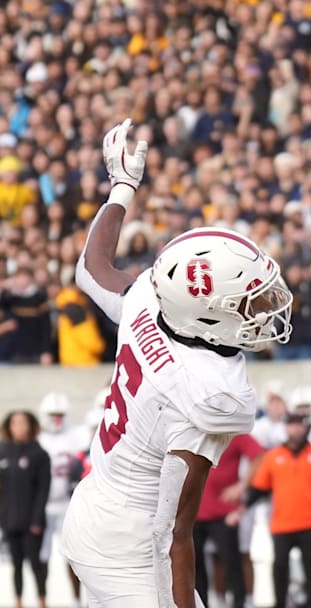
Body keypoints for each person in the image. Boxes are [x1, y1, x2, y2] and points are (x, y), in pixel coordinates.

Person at [60, 120, 293, 608]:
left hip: (100, 501)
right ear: (207, 317)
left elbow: (91, 268)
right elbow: (172, 534)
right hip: (129, 546)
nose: (265, 309)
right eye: (246, 304)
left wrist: (121, 188)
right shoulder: (207, 394)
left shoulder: (152, 299)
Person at [249, 412, 311, 608]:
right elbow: (259, 488)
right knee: (279, 567)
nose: (296, 429)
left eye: (299, 425)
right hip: (282, 522)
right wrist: (240, 506)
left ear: (305, 428)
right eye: (292, 425)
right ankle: (280, 603)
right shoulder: (274, 456)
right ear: (286, 428)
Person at [193, 433, 264, 608]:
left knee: (232, 562)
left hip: (223, 511)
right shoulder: (192, 430)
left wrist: (242, 486)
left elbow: (260, 456)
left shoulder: (231, 432)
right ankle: (201, 603)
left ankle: (239, 603)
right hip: (194, 511)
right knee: (194, 567)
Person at [35, 392, 88, 604]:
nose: (56, 418)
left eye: (60, 414)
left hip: (69, 503)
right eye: (52, 414)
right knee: (42, 555)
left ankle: (77, 599)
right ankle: (42, 598)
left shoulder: (78, 435)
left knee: (73, 555)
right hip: (44, 504)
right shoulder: (38, 438)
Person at [0, 410, 51, 608]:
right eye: (15, 423)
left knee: (36, 565)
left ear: (31, 426)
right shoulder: (3, 453)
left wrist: (37, 520)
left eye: (23, 423)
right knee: (16, 564)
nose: (19, 427)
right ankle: (18, 601)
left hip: (32, 522)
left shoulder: (39, 454)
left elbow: (43, 489)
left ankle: (42, 600)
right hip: (10, 521)